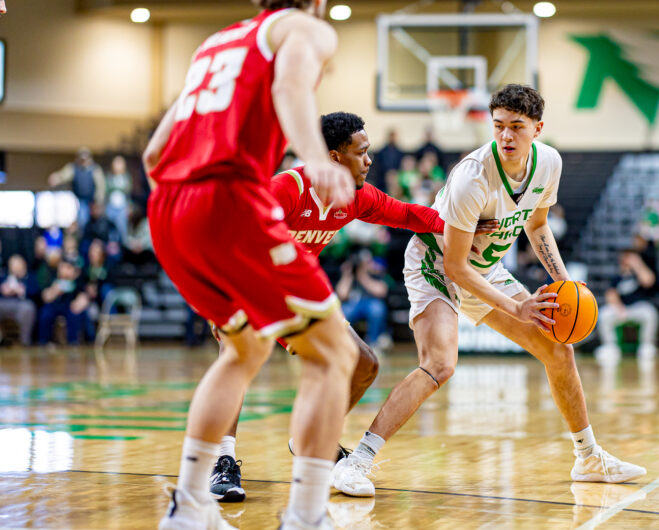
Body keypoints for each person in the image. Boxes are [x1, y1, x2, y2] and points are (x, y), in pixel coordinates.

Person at [332, 84, 646, 498]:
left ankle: (588, 458)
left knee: (558, 349)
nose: (506, 137)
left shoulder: (548, 163)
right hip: (435, 265)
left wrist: (564, 282)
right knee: (440, 363)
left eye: (517, 127)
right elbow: (455, 267)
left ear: (538, 129)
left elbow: (536, 225)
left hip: (484, 268)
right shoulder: (473, 178)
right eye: (499, 126)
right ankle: (356, 462)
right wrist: (517, 308)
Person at [206, 111, 496, 503]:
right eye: (361, 153)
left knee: (365, 363)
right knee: (238, 356)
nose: (370, 160)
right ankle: (221, 461)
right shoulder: (287, 188)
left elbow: (408, 214)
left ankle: (315, 436)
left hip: (297, 291)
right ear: (334, 157)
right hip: (249, 283)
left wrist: (460, 224)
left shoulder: (355, 197)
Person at [144, 2, 357, 529]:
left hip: (169, 208)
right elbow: (290, 89)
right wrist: (312, 157)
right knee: (334, 353)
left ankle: (190, 504)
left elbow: (154, 153)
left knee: (244, 347)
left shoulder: (216, 44)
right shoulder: (305, 28)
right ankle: (308, 515)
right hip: (229, 198)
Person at [595, 248, 659, 365]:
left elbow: (648, 281)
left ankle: (646, 345)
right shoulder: (616, 276)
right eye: (625, 257)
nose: (627, 259)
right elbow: (610, 295)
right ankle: (610, 346)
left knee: (650, 313)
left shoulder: (639, 273)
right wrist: (620, 308)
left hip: (638, 308)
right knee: (604, 314)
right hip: (621, 309)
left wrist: (638, 265)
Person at [48, 147, 106, 232]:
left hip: (92, 201)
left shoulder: (95, 169)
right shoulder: (73, 168)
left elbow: (101, 186)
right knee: (81, 220)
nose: (84, 161)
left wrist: (99, 201)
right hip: (78, 200)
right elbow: (63, 175)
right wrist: (56, 178)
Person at [0, 255, 38, 346]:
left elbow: (36, 292)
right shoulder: (3, 277)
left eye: (18, 264)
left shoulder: (30, 277)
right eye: (13, 264)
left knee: (28, 308)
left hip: (22, 303)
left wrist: (22, 290)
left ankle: (25, 341)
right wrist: (3, 290)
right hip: (4, 302)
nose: (16, 267)